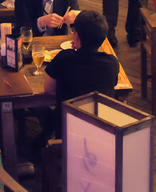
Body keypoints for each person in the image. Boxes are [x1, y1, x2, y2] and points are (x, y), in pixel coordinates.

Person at [42, 10, 119, 140]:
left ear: (76, 36)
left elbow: (48, 90)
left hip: (67, 125)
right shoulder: (112, 63)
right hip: (100, 125)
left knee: (41, 109)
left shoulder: (64, 58)